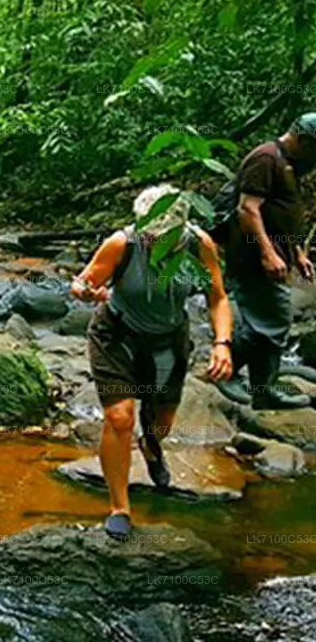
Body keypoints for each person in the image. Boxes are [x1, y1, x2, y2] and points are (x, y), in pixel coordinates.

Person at [72, 185, 233, 540]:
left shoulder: (199, 245)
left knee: (162, 422)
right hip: (117, 336)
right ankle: (120, 508)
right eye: (150, 237)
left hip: (168, 341)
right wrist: (88, 291)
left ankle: (151, 445)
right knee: (119, 418)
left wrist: (222, 343)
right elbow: (82, 284)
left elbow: (217, 298)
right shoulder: (122, 244)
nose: (155, 245)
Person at [219, 114, 316, 409]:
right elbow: (248, 209)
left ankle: (258, 386)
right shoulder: (265, 158)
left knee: (268, 322)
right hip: (253, 257)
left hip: (277, 254)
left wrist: (296, 252)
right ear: (303, 140)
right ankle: (229, 370)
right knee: (274, 320)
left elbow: (281, 214)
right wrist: (267, 253)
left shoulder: (288, 164)